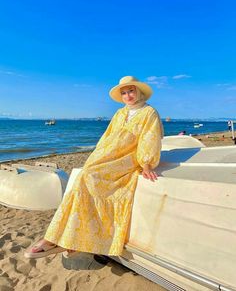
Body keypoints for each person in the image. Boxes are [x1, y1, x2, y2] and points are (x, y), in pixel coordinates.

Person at [24, 76, 164, 259]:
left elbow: (149, 138)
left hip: (129, 157)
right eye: (124, 92)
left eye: (131, 91)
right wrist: (97, 155)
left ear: (138, 92)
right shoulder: (120, 114)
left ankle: (57, 238)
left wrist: (146, 163)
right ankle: (65, 236)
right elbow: (107, 137)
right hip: (109, 154)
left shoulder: (149, 112)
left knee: (88, 176)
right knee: (85, 173)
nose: (127, 95)